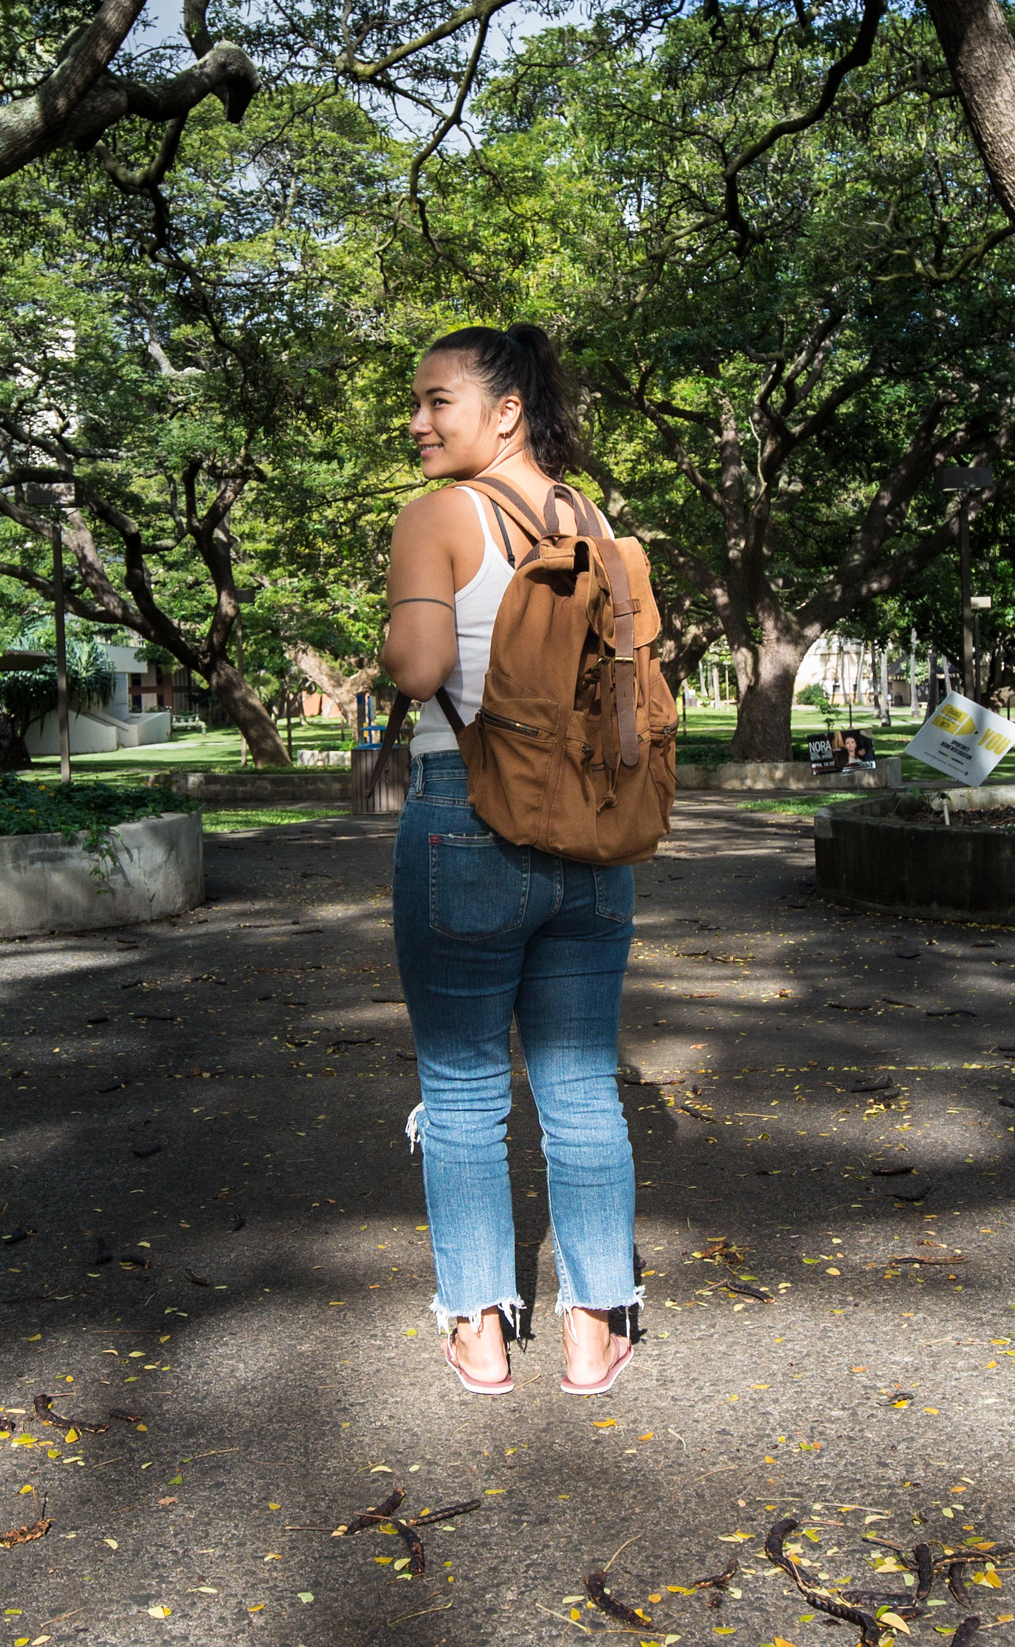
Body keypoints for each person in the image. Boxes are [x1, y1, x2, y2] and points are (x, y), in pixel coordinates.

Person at [382, 322, 640, 1400]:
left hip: (465, 816)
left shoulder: (436, 517)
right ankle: (593, 1328)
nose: (416, 421)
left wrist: (389, 635)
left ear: (505, 412)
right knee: (580, 1087)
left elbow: (420, 669)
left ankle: (480, 1330)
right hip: (593, 824)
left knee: (461, 1089)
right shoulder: (594, 522)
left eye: (435, 400)